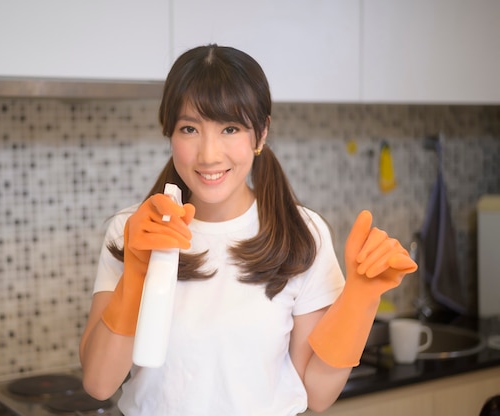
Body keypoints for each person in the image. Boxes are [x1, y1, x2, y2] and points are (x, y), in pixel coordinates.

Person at [79, 44, 417, 415]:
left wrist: (361, 298)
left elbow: (317, 394)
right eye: (189, 128)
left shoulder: (301, 235)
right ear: (169, 133)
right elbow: (98, 383)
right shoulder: (132, 231)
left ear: (260, 134)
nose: (209, 154)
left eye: (230, 128)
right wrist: (139, 270)